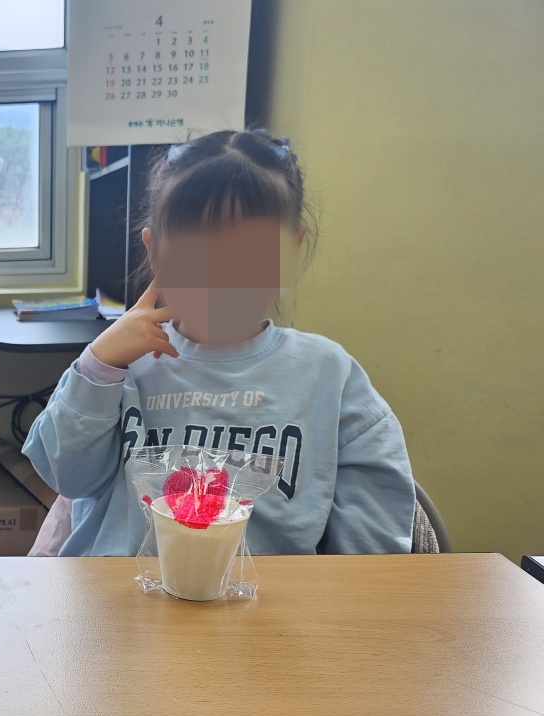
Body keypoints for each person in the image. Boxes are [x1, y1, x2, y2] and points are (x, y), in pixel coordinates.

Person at [24, 129, 414, 556]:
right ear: (154, 251)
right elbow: (67, 478)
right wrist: (96, 366)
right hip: (117, 593)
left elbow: (374, 539)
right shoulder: (122, 364)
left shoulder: (329, 375)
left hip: (270, 600)